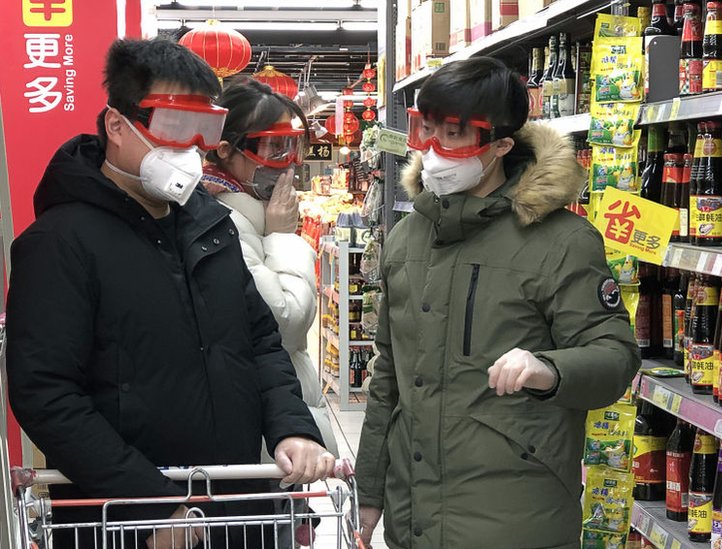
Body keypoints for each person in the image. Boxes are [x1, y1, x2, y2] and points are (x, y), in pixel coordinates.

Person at [6, 38, 334, 549]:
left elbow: (261, 343)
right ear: (117, 125)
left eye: (202, 129)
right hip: (125, 521)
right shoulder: (59, 244)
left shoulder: (211, 225)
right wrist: (153, 504)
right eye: (174, 127)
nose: (188, 150)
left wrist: (293, 429)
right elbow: (45, 393)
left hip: (238, 507)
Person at [356, 57, 641, 549]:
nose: (433, 151)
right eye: (425, 130)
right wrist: (370, 488)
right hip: (414, 516)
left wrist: (549, 368)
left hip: (517, 520)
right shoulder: (406, 238)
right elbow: (388, 378)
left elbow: (616, 357)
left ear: (502, 145)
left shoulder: (562, 241)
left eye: (455, 135)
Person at [201, 77, 338, 457]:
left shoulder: (247, 210)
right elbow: (287, 322)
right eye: (273, 147)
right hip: (264, 426)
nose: (288, 163)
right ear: (226, 150)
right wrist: (283, 236)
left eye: (292, 146)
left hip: (277, 415)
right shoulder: (223, 220)